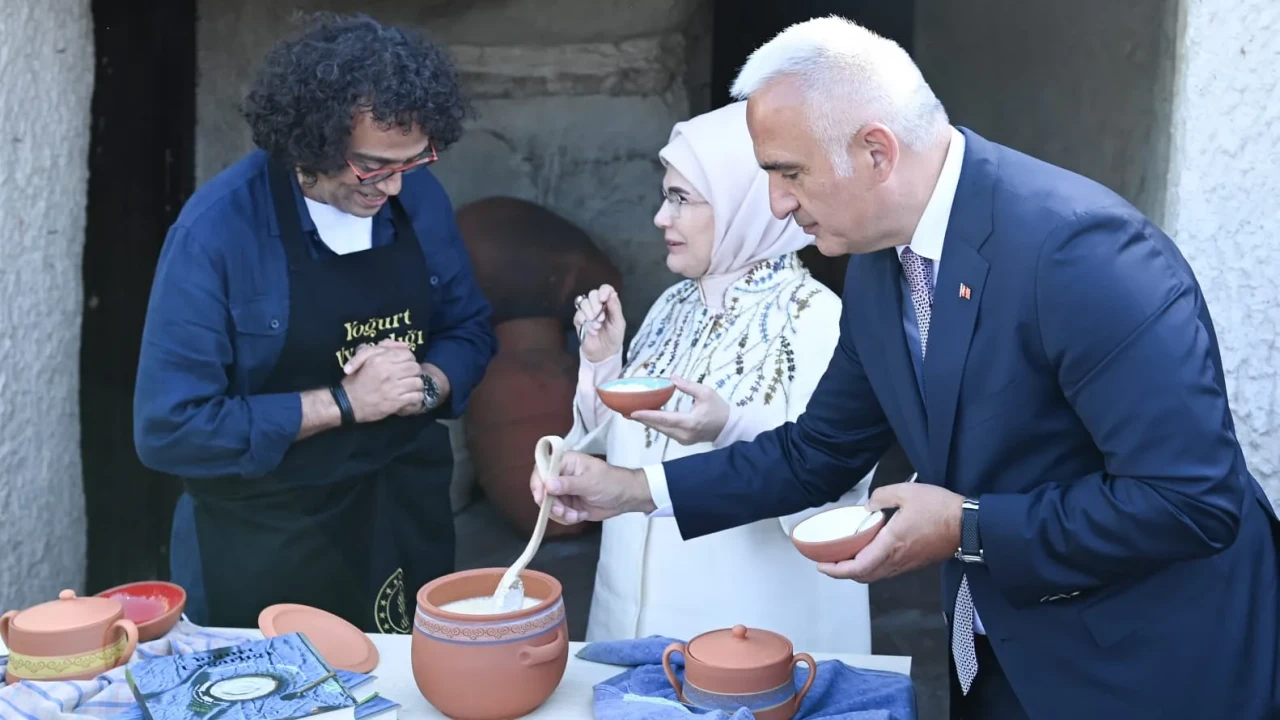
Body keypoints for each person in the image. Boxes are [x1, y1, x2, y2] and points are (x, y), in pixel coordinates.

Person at [531, 16, 1280, 720]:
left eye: (789, 173)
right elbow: (817, 453)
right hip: (996, 647)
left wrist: (966, 527)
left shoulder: (1081, 253)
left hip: (1148, 664)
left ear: (876, 152)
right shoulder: (878, 261)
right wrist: (630, 490)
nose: (776, 204)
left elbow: (1192, 501)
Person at [133, 13, 497, 634]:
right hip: (266, 532)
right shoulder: (217, 233)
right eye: (372, 166)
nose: (394, 186)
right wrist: (346, 402)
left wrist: (424, 385)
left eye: (414, 161)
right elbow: (170, 429)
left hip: (401, 508)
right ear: (312, 142)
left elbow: (469, 329)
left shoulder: (418, 199)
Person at [565, 101, 873, 652]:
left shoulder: (818, 319)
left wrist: (729, 426)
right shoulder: (672, 306)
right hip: (629, 619)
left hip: (748, 631)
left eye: (681, 199)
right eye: (666, 197)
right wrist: (602, 362)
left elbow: (835, 495)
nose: (661, 218)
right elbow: (622, 447)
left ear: (742, 201)